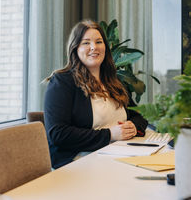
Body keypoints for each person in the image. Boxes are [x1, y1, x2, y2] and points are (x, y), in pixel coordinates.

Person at [44, 20, 148, 169]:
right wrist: (110, 135)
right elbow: (58, 134)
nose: (94, 47)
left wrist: (132, 126)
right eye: (86, 43)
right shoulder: (62, 81)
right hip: (79, 161)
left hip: (119, 153)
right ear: (75, 48)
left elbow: (139, 115)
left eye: (99, 42)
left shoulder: (114, 81)